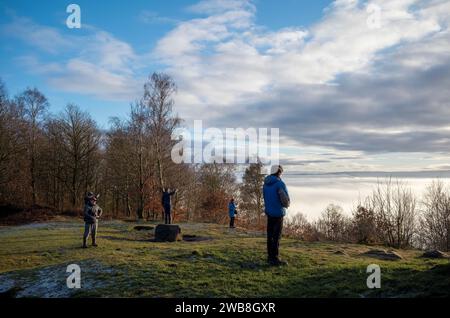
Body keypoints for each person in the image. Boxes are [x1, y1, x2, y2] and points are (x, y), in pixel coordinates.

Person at [263, 165, 290, 266]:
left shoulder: (265, 184)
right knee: (276, 236)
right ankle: (275, 259)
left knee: (270, 236)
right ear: (279, 172)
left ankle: (270, 257)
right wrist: (287, 204)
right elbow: (285, 202)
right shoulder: (280, 184)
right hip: (278, 214)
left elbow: (265, 198)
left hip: (269, 213)